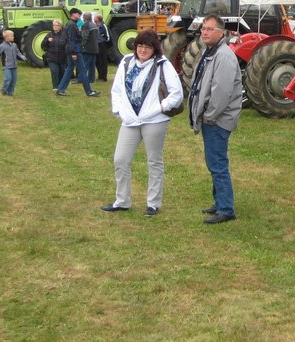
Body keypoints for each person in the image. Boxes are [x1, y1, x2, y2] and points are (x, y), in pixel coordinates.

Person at [102, 30, 183, 216]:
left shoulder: (163, 64)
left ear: (154, 49)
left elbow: (176, 93)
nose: (143, 50)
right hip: (130, 120)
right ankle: (122, 201)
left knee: (154, 161)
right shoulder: (126, 62)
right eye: (140, 46)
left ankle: (153, 203)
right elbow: (117, 89)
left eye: (147, 47)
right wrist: (118, 110)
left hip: (154, 120)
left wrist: (160, 107)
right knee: (120, 160)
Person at [188, 14, 243, 224]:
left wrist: (209, 117)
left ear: (221, 32)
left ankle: (226, 209)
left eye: (210, 29)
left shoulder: (224, 56)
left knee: (217, 163)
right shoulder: (210, 51)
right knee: (214, 161)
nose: (204, 32)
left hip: (217, 121)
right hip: (212, 119)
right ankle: (219, 202)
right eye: (203, 28)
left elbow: (221, 93)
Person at [55, 8, 98, 97]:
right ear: (73, 14)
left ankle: (60, 89)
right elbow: (71, 39)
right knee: (82, 71)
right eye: (78, 14)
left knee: (69, 70)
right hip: (75, 50)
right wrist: (73, 53)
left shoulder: (71, 23)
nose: (79, 15)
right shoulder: (71, 25)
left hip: (72, 49)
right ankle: (89, 91)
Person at [0, 30, 26, 96]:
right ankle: (3, 90)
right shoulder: (2, 46)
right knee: (8, 79)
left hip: (14, 66)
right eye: (12, 36)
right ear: (7, 37)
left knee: (13, 80)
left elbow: (18, 52)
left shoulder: (14, 45)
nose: (13, 37)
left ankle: (10, 93)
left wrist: (23, 57)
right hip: (6, 66)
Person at [42, 19, 68, 90]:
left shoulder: (64, 35)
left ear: (60, 26)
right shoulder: (49, 35)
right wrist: (47, 41)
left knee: (62, 72)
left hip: (62, 58)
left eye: (57, 25)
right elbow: (43, 46)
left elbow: (68, 45)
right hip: (51, 58)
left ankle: (61, 86)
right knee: (54, 72)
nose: (55, 27)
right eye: (54, 25)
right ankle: (55, 87)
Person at [79, 11, 99, 88]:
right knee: (92, 65)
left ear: (84, 17)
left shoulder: (86, 25)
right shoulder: (94, 25)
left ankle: (81, 79)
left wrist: (82, 45)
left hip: (87, 48)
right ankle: (91, 79)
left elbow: (85, 36)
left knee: (84, 65)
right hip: (95, 47)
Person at [94, 13, 111, 81]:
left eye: (95, 17)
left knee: (103, 61)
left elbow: (108, 37)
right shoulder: (95, 26)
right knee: (98, 61)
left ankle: (103, 77)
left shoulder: (103, 26)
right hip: (97, 45)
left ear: (98, 19)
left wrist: (103, 41)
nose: (94, 19)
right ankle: (99, 76)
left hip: (102, 45)